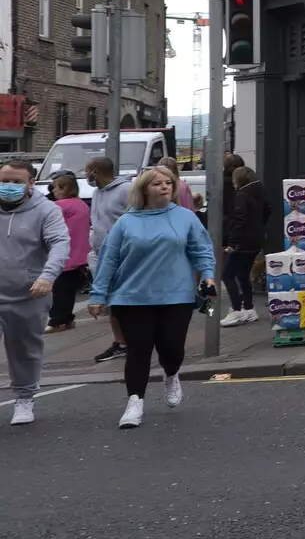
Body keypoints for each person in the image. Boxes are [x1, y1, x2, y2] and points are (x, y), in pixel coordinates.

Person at [88, 166, 216, 429]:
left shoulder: (185, 217)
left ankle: (171, 375)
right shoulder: (126, 222)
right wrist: (97, 294)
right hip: (131, 297)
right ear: (143, 189)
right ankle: (135, 402)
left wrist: (208, 275)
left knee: (171, 347)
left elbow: (201, 249)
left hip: (176, 296)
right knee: (138, 351)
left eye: (168, 182)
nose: (164, 186)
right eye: (157, 183)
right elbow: (108, 260)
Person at [0, 158, 70, 426]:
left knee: (24, 351)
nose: (8, 186)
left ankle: (25, 398)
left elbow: (60, 243)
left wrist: (47, 276)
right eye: (4, 181)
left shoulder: (46, 211)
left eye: (16, 182)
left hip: (28, 295)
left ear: (30, 183)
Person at [85, 156, 133, 363]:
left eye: (87, 171)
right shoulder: (96, 192)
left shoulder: (125, 190)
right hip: (100, 253)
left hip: (122, 254)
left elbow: (135, 218)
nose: (86, 176)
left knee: (125, 300)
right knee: (112, 300)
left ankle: (134, 340)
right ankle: (121, 342)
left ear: (96, 171)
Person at [221, 165, 269, 326]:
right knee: (243, 274)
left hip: (242, 241)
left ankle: (236, 310)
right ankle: (249, 308)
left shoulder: (241, 195)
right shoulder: (259, 192)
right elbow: (268, 210)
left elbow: (238, 220)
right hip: (256, 240)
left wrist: (232, 242)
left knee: (227, 275)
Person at [45, 173, 92, 333]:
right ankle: (67, 319)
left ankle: (57, 321)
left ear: (63, 188)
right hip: (80, 253)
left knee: (59, 290)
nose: (53, 191)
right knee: (68, 291)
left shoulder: (60, 205)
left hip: (65, 254)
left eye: (55, 187)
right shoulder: (81, 204)